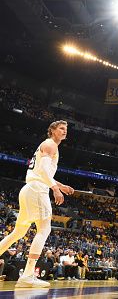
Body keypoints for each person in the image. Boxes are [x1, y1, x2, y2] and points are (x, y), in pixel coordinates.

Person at [0, 120, 74, 288]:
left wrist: (60, 185)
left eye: (66, 129)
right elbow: (44, 171)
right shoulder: (50, 144)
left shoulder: (48, 145)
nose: (64, 131)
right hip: (37, 191)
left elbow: (41, 171)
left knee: (18, 232)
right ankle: (27, 275)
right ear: (53, 130)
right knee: (44, 229)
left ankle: (27, 275)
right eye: (61, 128)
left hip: (29, 189)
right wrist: (55, 188)